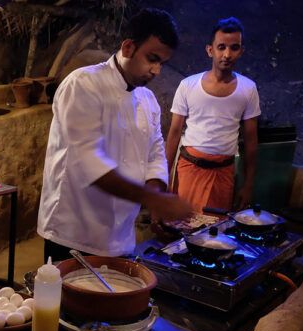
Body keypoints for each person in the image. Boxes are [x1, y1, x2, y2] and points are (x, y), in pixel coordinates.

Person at [37, 8, 192, 262]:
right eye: (152, 59)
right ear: (129, 47)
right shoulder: (83, 85)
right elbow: (88, 161)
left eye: (161, 63)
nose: (156, 71)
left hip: (120, 236)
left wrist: (157, 196)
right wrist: (154, 199)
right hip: (73, 232)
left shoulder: (147, 99)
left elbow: (155, 153)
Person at [166, 17, 261, 212]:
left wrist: (249, 184)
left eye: (234, 48)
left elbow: (251, 140)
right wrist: (163, 177)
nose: (227, 54)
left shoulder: (248, 89)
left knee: (214, 235)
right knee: (179, 228)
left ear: (241, 51)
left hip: (223, 174)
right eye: (221, 47)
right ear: (210, 50)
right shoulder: (188, 85)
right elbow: (174, 133)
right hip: (188, 171)